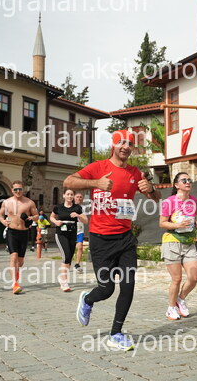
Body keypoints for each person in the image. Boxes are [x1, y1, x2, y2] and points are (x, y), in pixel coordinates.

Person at [64, 129, 160, 351]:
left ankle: (116, 334)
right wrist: (95, 183)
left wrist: (151, 189)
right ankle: (88, 300)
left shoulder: (135, 173)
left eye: (129, 143)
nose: (125, 146)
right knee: (106, 289)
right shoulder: (98, 167)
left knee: (128, 286)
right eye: (121, 142)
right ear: (113, 145)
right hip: (101, 239)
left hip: (125, 239)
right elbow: (68, 181)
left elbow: (156, 198)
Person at [159, 172, 197, 321]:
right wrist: (177, 225)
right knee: (176, 279)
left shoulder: (193, 200)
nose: (188, 182)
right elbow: (162, 223)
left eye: (189, 180)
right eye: (184, 180)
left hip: (189, 242)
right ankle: (171, 308)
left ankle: (181, 299)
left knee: (194, 277)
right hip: (172, 242)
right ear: (177, 185)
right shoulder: (169, 202)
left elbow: (191, 220)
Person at [0, 180, 38, 294]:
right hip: (12, 232)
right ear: (12, 190)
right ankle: (14, 283)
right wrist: (3, 221)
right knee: (14, 257)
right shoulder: (6, 202)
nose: (18, 191)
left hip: (24, 232)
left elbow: (36, 216)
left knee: (20, 261)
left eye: (20, 189)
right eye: (15, 189)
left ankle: (16, 272)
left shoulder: (29, 202)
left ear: (23, 189)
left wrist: (31, 218)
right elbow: (0, 214)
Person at [50, 189, 87, 292]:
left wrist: (78, 215)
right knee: (66, 255)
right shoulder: (58, 207)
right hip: (61, 234)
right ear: (64, 196)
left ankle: (62, 277)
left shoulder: (77, 208)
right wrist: (56, 222)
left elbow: (85, 220)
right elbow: (52, 217)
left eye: (71, 194)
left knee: (69, 258)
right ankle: (64, 282)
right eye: (68, 194)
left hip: (72, 233)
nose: (70, 196)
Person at [73, 192, 86, 273]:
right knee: (70, 248)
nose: (79, 198)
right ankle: (67, 262)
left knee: (80, 246)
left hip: (80, 229)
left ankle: (77, 264)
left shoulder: (84, 208)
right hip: (72, 229)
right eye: (77, 197)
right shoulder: (70, 206)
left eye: (80, 197)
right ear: (74, 198)